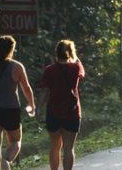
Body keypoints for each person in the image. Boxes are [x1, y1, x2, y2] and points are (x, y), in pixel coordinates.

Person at [0, 35, 36, 170]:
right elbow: (26, 88)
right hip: (11, 110)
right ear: (11, 49)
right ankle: (6, 160)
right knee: (16, 140)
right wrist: (32, 104)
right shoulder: (17, 66)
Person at [38, 40, 85, 170]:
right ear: (70, 52)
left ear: (56, 53)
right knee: (69, 148)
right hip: (72, 112)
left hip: (53, 112)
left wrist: (38, 108)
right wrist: (74, 57)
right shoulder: (75, 68)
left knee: (54, 146)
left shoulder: (49, 70)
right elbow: (82, 72)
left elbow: (44, 91)